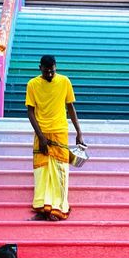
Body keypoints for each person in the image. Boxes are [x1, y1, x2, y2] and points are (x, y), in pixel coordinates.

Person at [26, 55, 84, 221]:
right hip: (41, 133)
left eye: (52, 71)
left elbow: (70, 107)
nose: (50, 74)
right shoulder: (32, 84)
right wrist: (41, 136)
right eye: (46, 71)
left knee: (60, 172)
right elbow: (30, 112)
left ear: (56, 68)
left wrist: (79, 132)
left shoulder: (65, 81)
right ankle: (42, 208)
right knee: (41, 172)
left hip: (59, 131)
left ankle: (58, 209)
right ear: (40, 68)